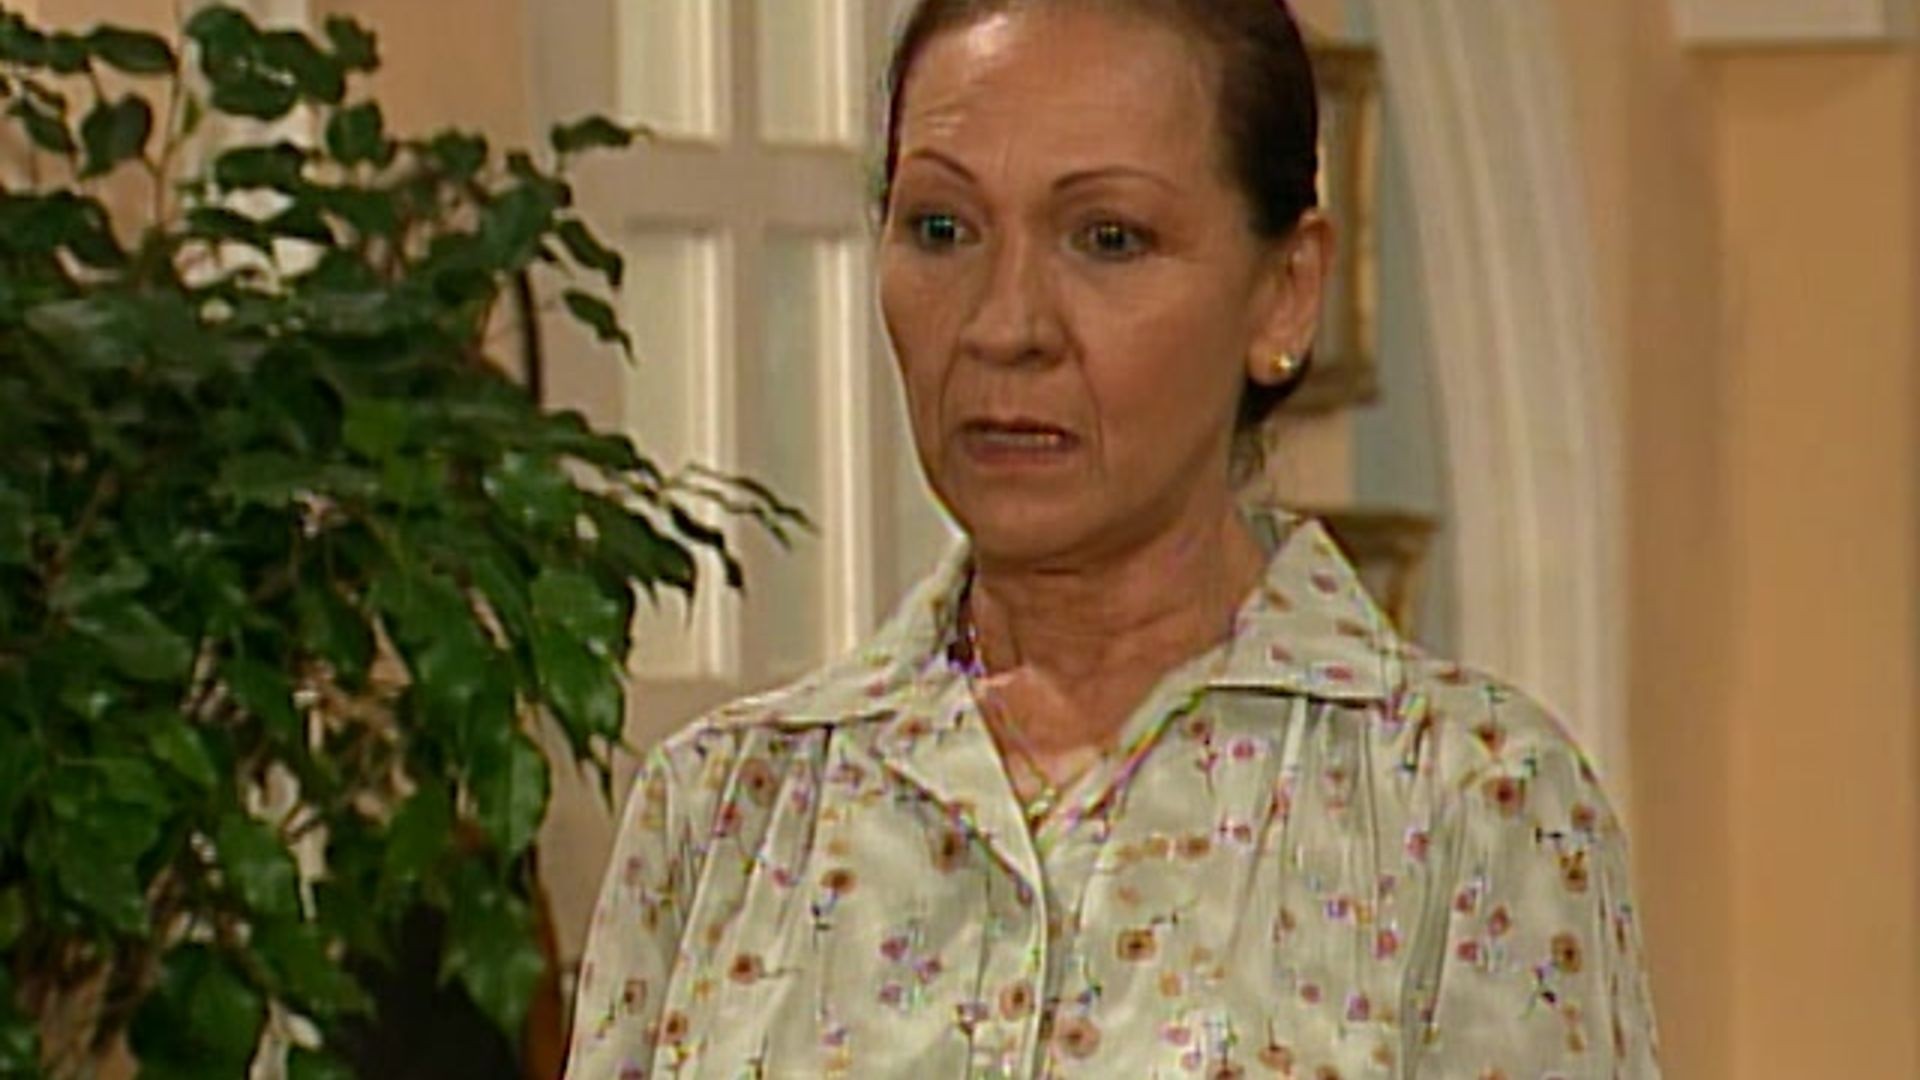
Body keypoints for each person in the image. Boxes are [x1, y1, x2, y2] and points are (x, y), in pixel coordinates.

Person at [565, 0, 1661, 1075]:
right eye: (942, 230)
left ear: (1285, 294)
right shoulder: (726, 813)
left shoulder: (1470, 809)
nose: (1005, 325)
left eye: (1109, 239)